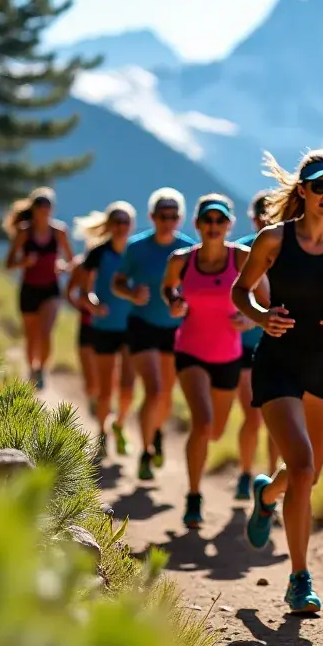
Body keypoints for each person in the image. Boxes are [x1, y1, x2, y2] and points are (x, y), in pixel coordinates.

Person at [232, 151, 323, 614]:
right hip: (276, 362)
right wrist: (260, 316)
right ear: (303, 191)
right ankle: (299, 578)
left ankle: (265, 494)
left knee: (306, 474)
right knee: (301, 468)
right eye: (320, 187)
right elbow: (241, 289)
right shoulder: (273, 239)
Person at [162, 194, 265, 528]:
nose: (214, 226)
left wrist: (251, 320)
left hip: (228, 357)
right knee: (203, 423)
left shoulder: (243, 257)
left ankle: (201, 478)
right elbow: (169, 289)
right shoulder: (181, 260)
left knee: (217, 430)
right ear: (197, 224)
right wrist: (174, 303)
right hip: (190, 351)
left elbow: (265, 299)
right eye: (208, 220)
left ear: (229, 225)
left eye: (220, 221)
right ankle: (193, 496)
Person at [113, 188, 195, 480]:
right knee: (153, 389)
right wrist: (131, 293)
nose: (168, 221)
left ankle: (156, 432)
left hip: (174, 330)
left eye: (174, 216)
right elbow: (117, 283)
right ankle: (146, 451)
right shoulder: (136, 248)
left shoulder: (189, 249)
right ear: (152, 217)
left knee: (166, 396)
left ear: (180, 218)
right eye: (163, 216)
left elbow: (197, 288)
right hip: (142, 326)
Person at [73, 202, 138, 455]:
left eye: (125, 222)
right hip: (104, 326)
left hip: (132, 326)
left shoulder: (136, 252)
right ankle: (102, 433)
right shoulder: (98, 253)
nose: (121, 226)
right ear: (109, 225)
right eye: (117, 221)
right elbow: (84, 290)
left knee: (128, 387)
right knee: (104, 387)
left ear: (131, 225)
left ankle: (119, 423)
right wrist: (93, 305)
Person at [233, 191, 279, 500]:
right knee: (253, 415)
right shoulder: (241, 251)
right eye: (261, 216)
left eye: (271, 215)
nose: (266, 221)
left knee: (276, 421)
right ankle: (245, 473)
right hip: (245, 347)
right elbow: (234, 293)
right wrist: (252, 318)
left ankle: (272, 479)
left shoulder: (289, 248)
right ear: (253, 218)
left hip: (280, 346)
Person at [4, 187, 74, 389]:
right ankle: (31, 368)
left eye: (47, 206)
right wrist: (23, 263)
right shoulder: (24, 233)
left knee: (45, 333)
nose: (44, 210)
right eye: (40, 206)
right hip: (29, 290)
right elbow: (8, 264)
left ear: (52, 209)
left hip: (51, 290)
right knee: (31, 336)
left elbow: (71, 262)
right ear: (33, 209)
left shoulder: (59, 232)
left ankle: (41, 369)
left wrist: (62, 266)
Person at [65, 251, 99, 418]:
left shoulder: (120, 261)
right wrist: (80, 308)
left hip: (110, 327)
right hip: (86, 325)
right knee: (89, 372)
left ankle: (102, 401)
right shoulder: (82, 264)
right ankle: (93, 399)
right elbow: (69, 291)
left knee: (108, 370)